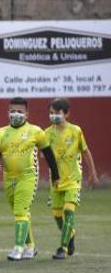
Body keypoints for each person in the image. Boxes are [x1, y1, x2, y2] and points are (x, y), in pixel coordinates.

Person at [0, 97, 59, 261]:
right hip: (8, 178)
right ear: (8, 112)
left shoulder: (36, 131)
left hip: (28, 177)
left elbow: (49, 155)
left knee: (20, 211)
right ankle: (31, 246)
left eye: (20, 111)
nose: (16, 114)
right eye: (13, 111)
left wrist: (56, 175)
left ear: (27, 114)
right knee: (20, 212)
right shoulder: (1, 132)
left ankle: (18, 247)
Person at [45, 98, 98, 259]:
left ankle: (63, 248)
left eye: (57, 113)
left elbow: (85, 152)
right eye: (51, 113)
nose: (54, 116)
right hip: (56, 181)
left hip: (73, 180)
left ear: (66, 113)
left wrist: (92, 173)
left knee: (68, 211)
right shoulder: (47, 133)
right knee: (57, 216)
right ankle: (71, 234)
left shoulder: (76, 131)